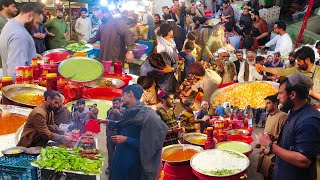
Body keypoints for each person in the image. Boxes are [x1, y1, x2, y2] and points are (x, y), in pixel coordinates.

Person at [258, 73, 320, 180]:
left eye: (281, 93)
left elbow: (304, 160)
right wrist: (276, 138)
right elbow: (295, 137)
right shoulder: (293, 111)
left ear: (292, 95)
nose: (278, 97)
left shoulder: (309, 120)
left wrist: (270, 145)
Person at [109, 84, 168, 180]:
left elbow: (149, 143)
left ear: (130, 94)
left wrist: (126, 139)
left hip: (132, 161)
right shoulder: (129, 112)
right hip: (120, 157)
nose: (121, 99)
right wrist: (108, 122)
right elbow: (123, 125)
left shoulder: (147, 115)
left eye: (123, 95)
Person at [0, 3, 42, 79]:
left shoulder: (10, 24)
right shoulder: (20, 35)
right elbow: (17, 71)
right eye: (37, 22)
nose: (36, 27)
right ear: (29, 15)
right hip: (20, 86)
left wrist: (31, 54)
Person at [97, 97, 122, 174]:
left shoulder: (124, 112)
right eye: (113, 103)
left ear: (120, 103)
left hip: (119, 135)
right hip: (110, 135)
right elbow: (107, 120)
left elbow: (123, 122)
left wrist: (118, 114)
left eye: (116, 103)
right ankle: (110, 167)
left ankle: (118, 169)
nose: (115, 105)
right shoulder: (109, 111)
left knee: (119, 153)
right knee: (110, 152)